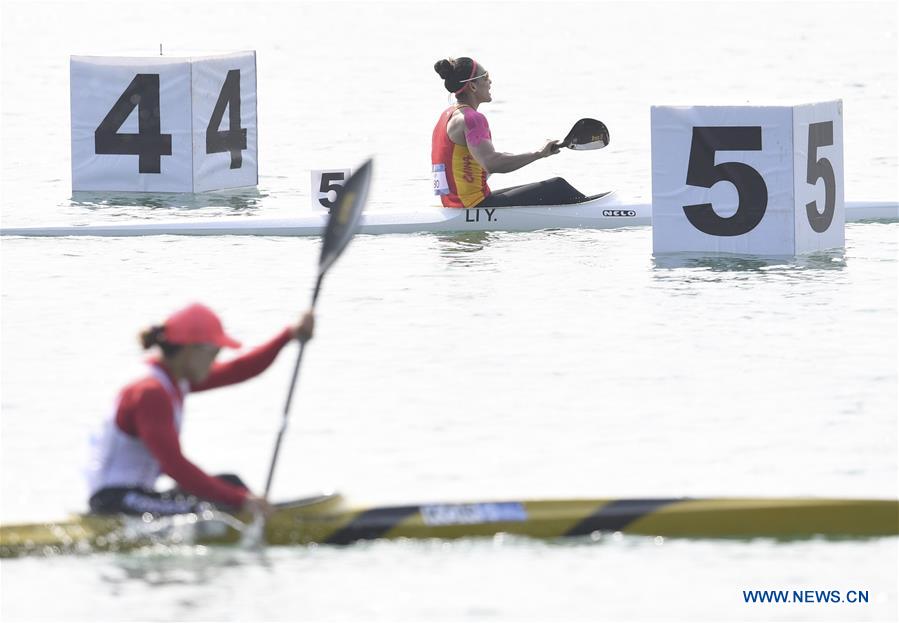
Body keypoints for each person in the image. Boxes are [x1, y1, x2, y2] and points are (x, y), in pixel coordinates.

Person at [85, 303, 315, 518]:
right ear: (190, 350)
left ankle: (260, 518)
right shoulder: (151, 393)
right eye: (214, 353)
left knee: (229, 482)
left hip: (138, 495)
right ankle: (255, 521)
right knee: (209, 510)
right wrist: (240, 500)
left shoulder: (175, 379)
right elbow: (175, 466)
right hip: (115, 501)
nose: (216, 360)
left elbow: (239, 369)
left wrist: (288, 335)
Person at [431, 56, 587, 209]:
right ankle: (603, 212)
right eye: (485, 77)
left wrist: (510, 156)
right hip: (475, 205)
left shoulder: (447, 116)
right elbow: (491, 163)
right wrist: (538, 153)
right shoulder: (472, 119)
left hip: (454, 205)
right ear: (472, 86)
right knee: (557, 187)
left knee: (551, 189)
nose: (490, 82)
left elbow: (470, 163)